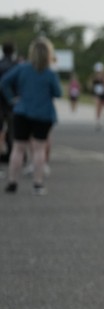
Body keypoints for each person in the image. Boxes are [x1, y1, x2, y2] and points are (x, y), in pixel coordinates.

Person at [1, 37, 62, 195]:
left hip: (22, 111)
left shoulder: (22, 68)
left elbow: (4, 82)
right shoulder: (50, 73)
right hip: (43, 113)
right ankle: (38, 183)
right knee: (39, 149)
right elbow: (58, 93)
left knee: (18, 148)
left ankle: (12, 182)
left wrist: (12, 98)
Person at [0, 42, 19, 162]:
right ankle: (12, 152)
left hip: (1, 102)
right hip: (13, 102)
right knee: (13, 129)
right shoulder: (17, 66)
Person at [89, 62, 104, 130]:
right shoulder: (94, 77)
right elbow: (91, 85)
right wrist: (92, 93)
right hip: (97, 94)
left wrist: (103, 80)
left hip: (103, 94)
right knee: (97, 105)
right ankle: (98, 120)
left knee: (102, 107)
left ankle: (102, 117)